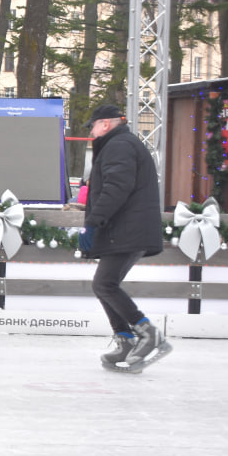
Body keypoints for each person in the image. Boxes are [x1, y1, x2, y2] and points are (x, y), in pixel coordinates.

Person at [82, 104, 171, 371]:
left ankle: (147, 333)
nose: (92, 131)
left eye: (93, 126)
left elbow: (116, 188)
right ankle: (126, 339)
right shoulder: (120, 144)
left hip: (127, 230)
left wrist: (93, 223)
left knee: (105, 285)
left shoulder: (119, 146)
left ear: (105, 124)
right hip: (125, 229)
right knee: (105, 285)